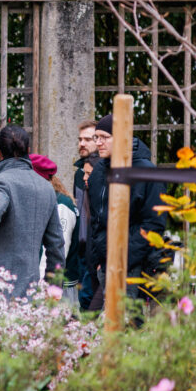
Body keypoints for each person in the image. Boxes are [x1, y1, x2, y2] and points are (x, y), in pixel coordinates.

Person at [0, 124, 65, 298]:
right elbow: (56, 244)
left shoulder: (1, 182)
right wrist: (53, 287)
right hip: (31, 290)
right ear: (28, 150)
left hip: (0, 290)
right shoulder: (46, 188)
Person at [85, 114, 167, 310]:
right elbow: (95, 220)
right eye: (96, 137)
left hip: (135, 265)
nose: (98, 143)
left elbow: (153, 224)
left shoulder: (147, 173)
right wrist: (98, 259)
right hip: (105, 265)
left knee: (127, 324)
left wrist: (123, 258)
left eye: (104, 137)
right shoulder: (98, 172)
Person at [30, 154, 80, 307]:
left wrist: (47, 287)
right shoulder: (45, 201)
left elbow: (58, 251)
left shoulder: (61, 206)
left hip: (57, 287)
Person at [73, 120, 98, 309]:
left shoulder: (104, 173)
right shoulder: (79, 174)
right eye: (80, 139)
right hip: (82, 249)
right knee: (83, 301)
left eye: (87, 139)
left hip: (97, 250)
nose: (82, 143)